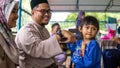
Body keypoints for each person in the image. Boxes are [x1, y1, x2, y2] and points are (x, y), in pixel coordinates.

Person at [15, 0, 75, 68]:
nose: (47, 14)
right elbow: (37, 49)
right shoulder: (26, 31)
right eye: (43, 11)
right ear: (33, 12)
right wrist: (60, 34)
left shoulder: (44, 30)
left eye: (48, 11)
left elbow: (48, 52)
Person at [0, 0, 19, 68]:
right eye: (13, 11)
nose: (17, 16)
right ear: (2, 13)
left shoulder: (8, 34)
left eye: (17, 11)